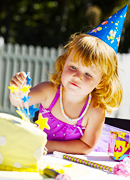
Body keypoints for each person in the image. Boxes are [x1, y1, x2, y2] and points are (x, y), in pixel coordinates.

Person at [9, 5, 128, 155]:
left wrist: (48, 145)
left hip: (73, 162)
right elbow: (18, 101)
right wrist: (18, 90)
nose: (77, 76)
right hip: (38, 154)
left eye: (88, 74)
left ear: (101, 80)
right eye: (73, 67)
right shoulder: (49, 91)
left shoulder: (95, 110)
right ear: (64, 62)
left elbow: (86, 146)